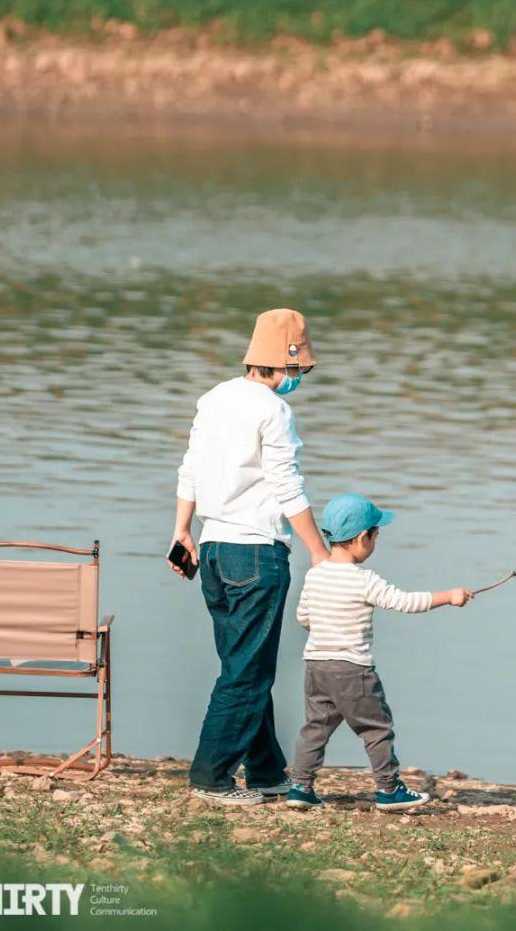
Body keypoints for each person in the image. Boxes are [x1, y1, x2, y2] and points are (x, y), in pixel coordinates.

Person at [171, 307, 330, 807]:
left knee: (244, 663)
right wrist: (320, 554)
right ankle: (211, 776)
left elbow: (190, 468)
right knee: (248, 672)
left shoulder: (214, 399)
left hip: (214, 550)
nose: (298, 379)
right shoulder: (274, 411)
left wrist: (181, 531)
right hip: (257, 553)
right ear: (279, 366)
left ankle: (264, 770)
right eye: (297, 370)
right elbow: (287, 486)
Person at [286, 493, 472, 813]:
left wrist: (327, 633)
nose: (375, 542)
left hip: (316, 665)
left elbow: (304, 617)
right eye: (375, 535)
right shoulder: (364, 580)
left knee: (315, 727)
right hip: (352, 669)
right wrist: (449, 596)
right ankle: (388, 790)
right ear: (362, 538)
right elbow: (405, 602)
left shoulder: (315, 575)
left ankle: (301, 786)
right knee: (376, 728)